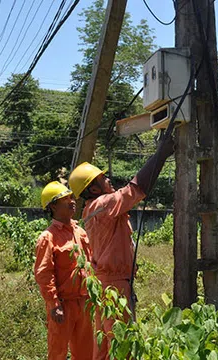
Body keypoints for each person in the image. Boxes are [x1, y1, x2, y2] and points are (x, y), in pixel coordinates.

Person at [68, 138, 174, 360]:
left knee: (105, 347)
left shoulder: (92, 209)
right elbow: (136, 189)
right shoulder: (102, 205)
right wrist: (161, 154)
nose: (109, 179)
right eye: (102, 178)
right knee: (122, 344)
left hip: (105, 283)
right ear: (93, 188)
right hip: (114, 285)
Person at [34, 181, 94, 360]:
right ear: (53, 206)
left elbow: (91, 263)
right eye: (65, 199)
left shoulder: (80, 232)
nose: (72, 201)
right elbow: (44, 274)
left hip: (84, 303)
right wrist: (54, 304)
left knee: (85, 353)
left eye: (72, 197)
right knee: (58, 352)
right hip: (63, 305)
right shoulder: (48, 237)